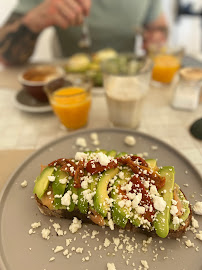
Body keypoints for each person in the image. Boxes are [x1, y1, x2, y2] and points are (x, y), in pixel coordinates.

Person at [0, 0, 168, 66]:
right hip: (68, 84)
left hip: (126, 79)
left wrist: (156, 37)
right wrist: (33, 20)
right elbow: (4, 56)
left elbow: (158, 26)